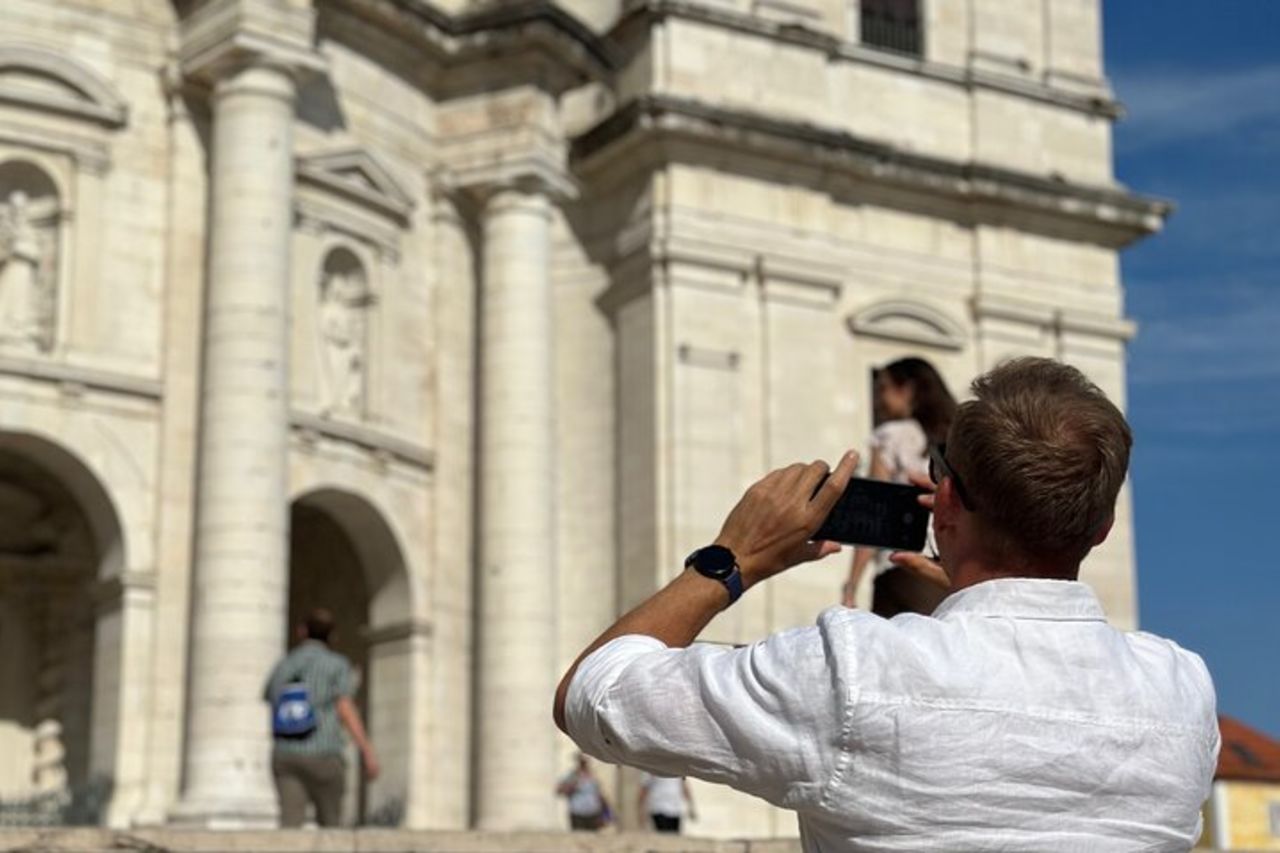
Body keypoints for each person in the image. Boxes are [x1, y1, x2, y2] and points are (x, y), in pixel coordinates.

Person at [555, 358, 1219, 851]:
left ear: (946, 500)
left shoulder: (852, 671)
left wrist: (733, 559)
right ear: (1100, 528)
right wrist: (978, 598)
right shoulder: (1183, 692)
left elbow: (592, 693)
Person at [842, 357, 956, 616]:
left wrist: (850, 586)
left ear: (907, 390)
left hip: (903, 567)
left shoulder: (892, 435)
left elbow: (873, 513)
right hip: (950, 572)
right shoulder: (958, 439)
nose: (877, 400)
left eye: (883, 389)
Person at [263, 608, 379, 827]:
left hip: (286, 755)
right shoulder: (336, 665)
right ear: (332, 636)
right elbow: (345, 708)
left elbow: (270, 697)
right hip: (324, 754)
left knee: (290, 826)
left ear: (302, 632)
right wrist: (366, 750)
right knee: (330, 824)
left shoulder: (283, 665)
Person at [556, 753, 611, 830]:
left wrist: (606, 812)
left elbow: (599, 794)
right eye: (582, 762)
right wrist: (572, 785)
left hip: (593, 812)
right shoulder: (571, 775)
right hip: (577, 812)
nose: (584, 764)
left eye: (586, 761)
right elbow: (559, 790)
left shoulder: (592, 776)